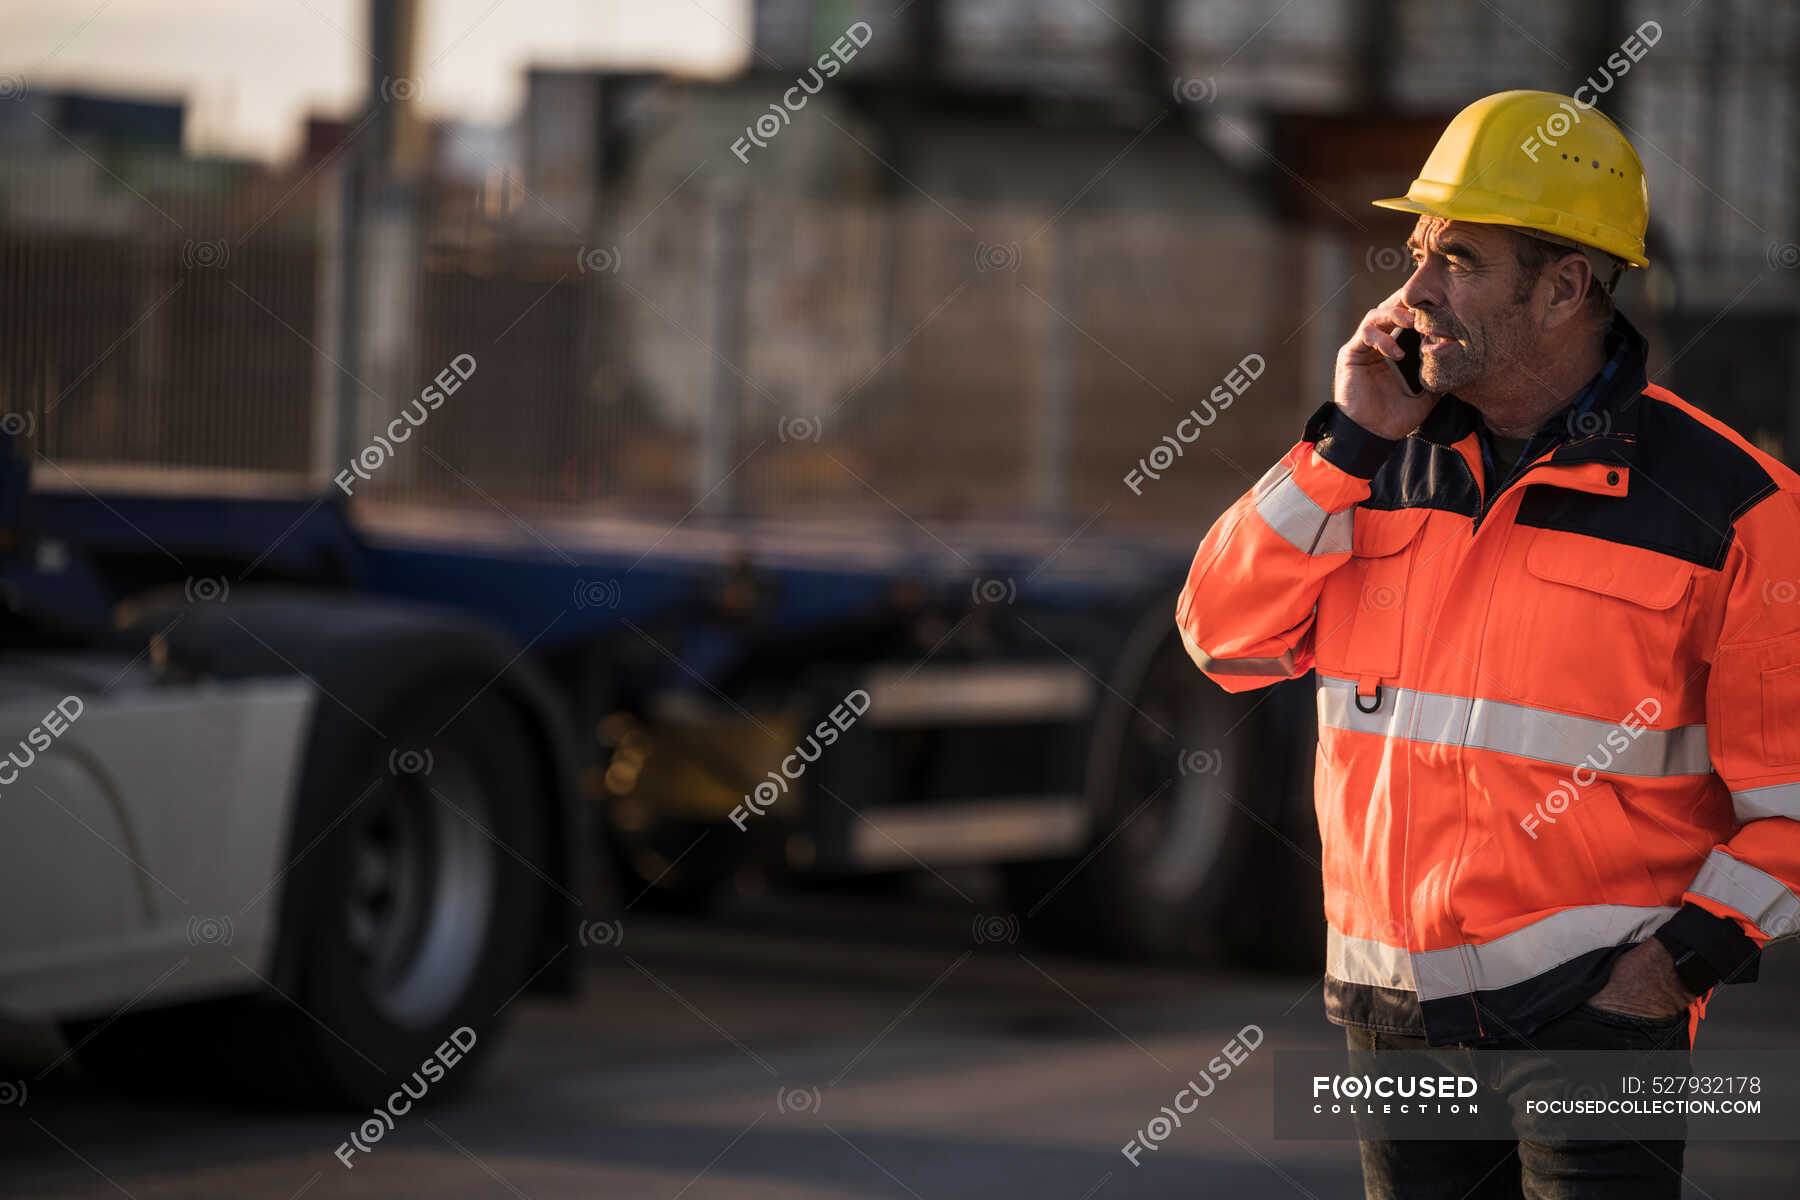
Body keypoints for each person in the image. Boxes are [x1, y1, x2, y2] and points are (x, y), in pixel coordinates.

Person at [1176, 89, 1800, 1197]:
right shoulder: (1371, 460)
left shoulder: (1738, 508)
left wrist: (1673, 973)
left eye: (1457, 259)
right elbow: (1223, 639)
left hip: (1600, 1021)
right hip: (1392, 1015)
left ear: (1566, 287)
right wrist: (1344, 443)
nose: (1412, 292)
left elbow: (1791, 807)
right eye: (1415, 252)